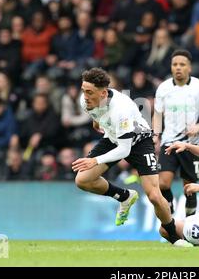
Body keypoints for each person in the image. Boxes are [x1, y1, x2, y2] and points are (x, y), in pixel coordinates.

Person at [71, 67, 186, 246]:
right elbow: (95, 113)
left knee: (155, 196)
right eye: (83, 90)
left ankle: (172, 235)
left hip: (139, 141)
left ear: (103, 93)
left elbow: (124, 150)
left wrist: (94, 160)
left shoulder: (121, 109)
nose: (85, 96)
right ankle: (124, 196)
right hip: (113, 136)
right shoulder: (85, 101)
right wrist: (96, 121)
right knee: (83, 180)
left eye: (89, 92)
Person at [153, 49, 199, 217]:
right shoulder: (163, 88)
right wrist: (155, 135)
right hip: (169, 142)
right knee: (163, 184)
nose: (178, 68)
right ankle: (170, 213)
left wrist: (198, 127)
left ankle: (189, 223)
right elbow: (158, 114)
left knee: (189, 187)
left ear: (189, 67)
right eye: (175, 64)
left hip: (191, 145)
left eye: (182, 64)